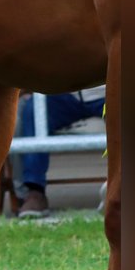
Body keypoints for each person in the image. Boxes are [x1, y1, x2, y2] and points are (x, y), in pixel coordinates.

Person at [15, 86, 106, 217]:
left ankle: (119, 186)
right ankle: (35, 191)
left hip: (106, 93)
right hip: (66, 94)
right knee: (33, 108)